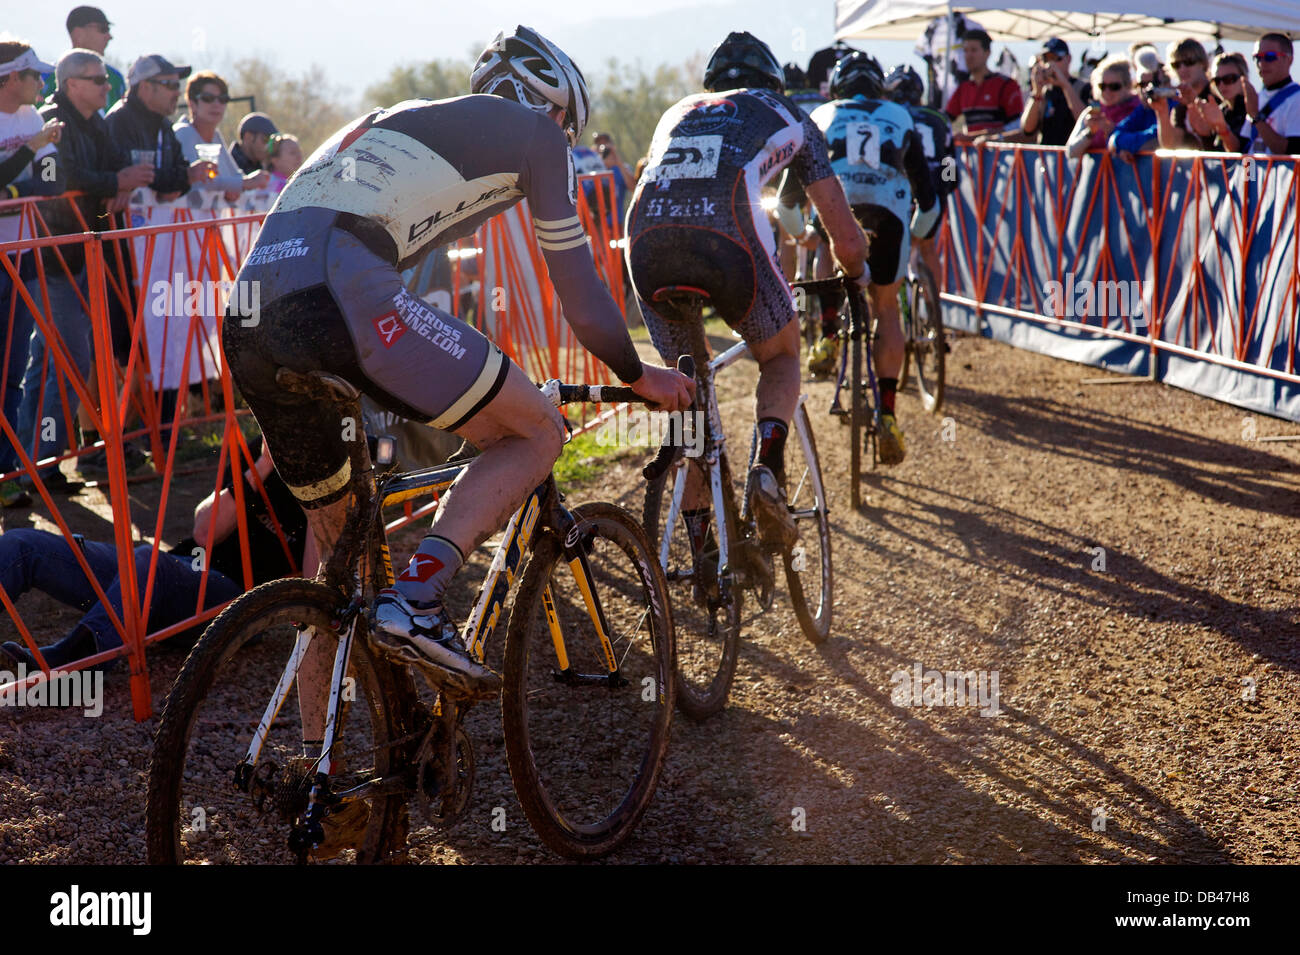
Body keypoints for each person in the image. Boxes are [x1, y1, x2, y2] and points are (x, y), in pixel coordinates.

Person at [222, 25, 692, 697]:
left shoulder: (392, 124)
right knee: (536, 429)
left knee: (337, 573)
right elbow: (583, 297)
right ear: (555, 112)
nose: (563, 146)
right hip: (337, 293)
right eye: (568, 133)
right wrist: (638, 374)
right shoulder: (536, 136)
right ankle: (418, 596)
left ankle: (319, 776)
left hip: (247, 315)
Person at [625, 30, 868, 558]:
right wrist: (857, 272)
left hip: (644, 242)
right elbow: (844, 239)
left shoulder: (678, 110)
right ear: (774, 83)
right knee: (780, 354)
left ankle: (703, 554)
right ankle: (769, 469)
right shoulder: (788, 113)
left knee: (689, 396)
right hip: (727, 237)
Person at [0, 438, 306, 672]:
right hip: (174, 571)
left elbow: (314, 584)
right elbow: (205, 530)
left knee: (150, 561)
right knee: (22, 545)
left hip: (234, 602)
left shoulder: (329, 481)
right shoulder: (260, 448)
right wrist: (262, 468)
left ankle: (70, 664)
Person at [776, 52, 937, 466]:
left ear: (837, 87)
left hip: (839, 206)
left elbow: (786, 203)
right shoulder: (901, 116)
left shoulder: (821, 115)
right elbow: (931, 202)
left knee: (825, 233)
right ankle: (887, 413)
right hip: (890, 214)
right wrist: (917, 238)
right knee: (886, 308)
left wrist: (802, 236)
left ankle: (828, 335)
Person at [15, 49, 151, 493]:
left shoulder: (93, 121)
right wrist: (115, 183)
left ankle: (35, 458)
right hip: (52, 256)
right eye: (98, 80)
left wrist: (119, 185)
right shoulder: (49, 118)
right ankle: (44, 460)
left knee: (51, 359)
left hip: (79, 252)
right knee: (68, 359)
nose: (106, 87)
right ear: (72, 83)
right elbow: (58, 176)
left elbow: (114, 165)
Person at [0, 41, 64, 509]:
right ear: (9, 77)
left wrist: (16, 175)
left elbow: (51, 184)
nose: (42, 85)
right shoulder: (33, 131)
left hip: (22, 253)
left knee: (13, 368)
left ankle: (7, 470)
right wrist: (31, 155)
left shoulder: (33, 121)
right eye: (34, 76)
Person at [883, 63, 954, 319]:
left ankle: (891, 308)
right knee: (927, 247)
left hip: (901, 188)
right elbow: (949, 160)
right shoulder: (939, 117)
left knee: (890, 246)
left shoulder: (889, 113)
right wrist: (946, 188)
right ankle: (936, 313)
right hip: (934, 190)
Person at [105, 55, 215, 204]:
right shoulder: (120, 120)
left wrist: (181, 183)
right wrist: (186, 177)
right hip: (126, 223)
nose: (177, 92)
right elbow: (134, 174)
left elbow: (178, 168)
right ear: (146, 87)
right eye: (170, 85)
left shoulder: (163, 124)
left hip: (155, 222)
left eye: (178, 85)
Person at [173, 70, 269, 203]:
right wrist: (245, 183)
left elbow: (235, 175)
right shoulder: (183, 132)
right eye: (208, 98)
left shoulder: (215, 135)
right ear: (192, 103)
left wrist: (243, 183)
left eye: (223, 99)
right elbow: (202, 181)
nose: (216, 104)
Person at [39, 6, 125, 115]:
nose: (109, 36)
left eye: (103, 79)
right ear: (78, 34)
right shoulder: (43, 79)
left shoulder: (116, 78)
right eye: (103, 29)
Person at [944, 29, 1023, 142]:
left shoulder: (1006, 85)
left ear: (987, 53)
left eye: (974, 50)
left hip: (1001, 156)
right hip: (972, 157)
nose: (968, 55)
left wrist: (976, 137)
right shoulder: (964, 88)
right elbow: (946, 118)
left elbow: (1017, 126)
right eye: (965, 51)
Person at [1066, 54, 1141, 159]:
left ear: (1127, 85)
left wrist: (1114, 133)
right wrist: (1090, 132)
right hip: (1095, 175)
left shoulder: (1139, 110)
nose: (1107, 92)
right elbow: (1070, 153)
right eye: (1102, 86)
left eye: (1114, 87)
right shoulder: (1092, 113)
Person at [1241, 33, 1300, 155]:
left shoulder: (1297, 99)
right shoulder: (1258, 96)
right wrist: (1220, 127)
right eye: (1257, 57)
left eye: (1270, 57)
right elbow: (1242, 147)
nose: (1262, 63)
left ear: (1289, 59)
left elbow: (1291, 152)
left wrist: (1256, 117)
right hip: (1252, 174)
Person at [1021, 38, 1087, 146]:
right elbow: (1027, 130)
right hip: (1046, 159)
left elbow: (1085, 123)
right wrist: (1037, 92)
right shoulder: (1044, 91)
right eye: (1046, 59)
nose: (1051, 64)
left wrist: (1065, 85)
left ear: (1069, 59)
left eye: (1056, 58)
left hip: (1073, 158)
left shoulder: (1082, 87)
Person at [1161, 38, 1215, 149]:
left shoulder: (1218, 93)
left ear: (1203, 63)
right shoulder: (1180, 101)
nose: (1182, 69)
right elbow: (1170, 145)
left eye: (1189, 62)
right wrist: (1161, 112)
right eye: (1176, 65)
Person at [1192, 53, 1251, 153]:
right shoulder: (1221, 110)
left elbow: (1240, 151)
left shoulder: (1252, 109)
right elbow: (1215, 155)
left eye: (1229, 79)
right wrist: (1205, 135)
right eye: (1217, 81)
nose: (1222, 85)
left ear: (1244, 77)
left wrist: (1221, 127)